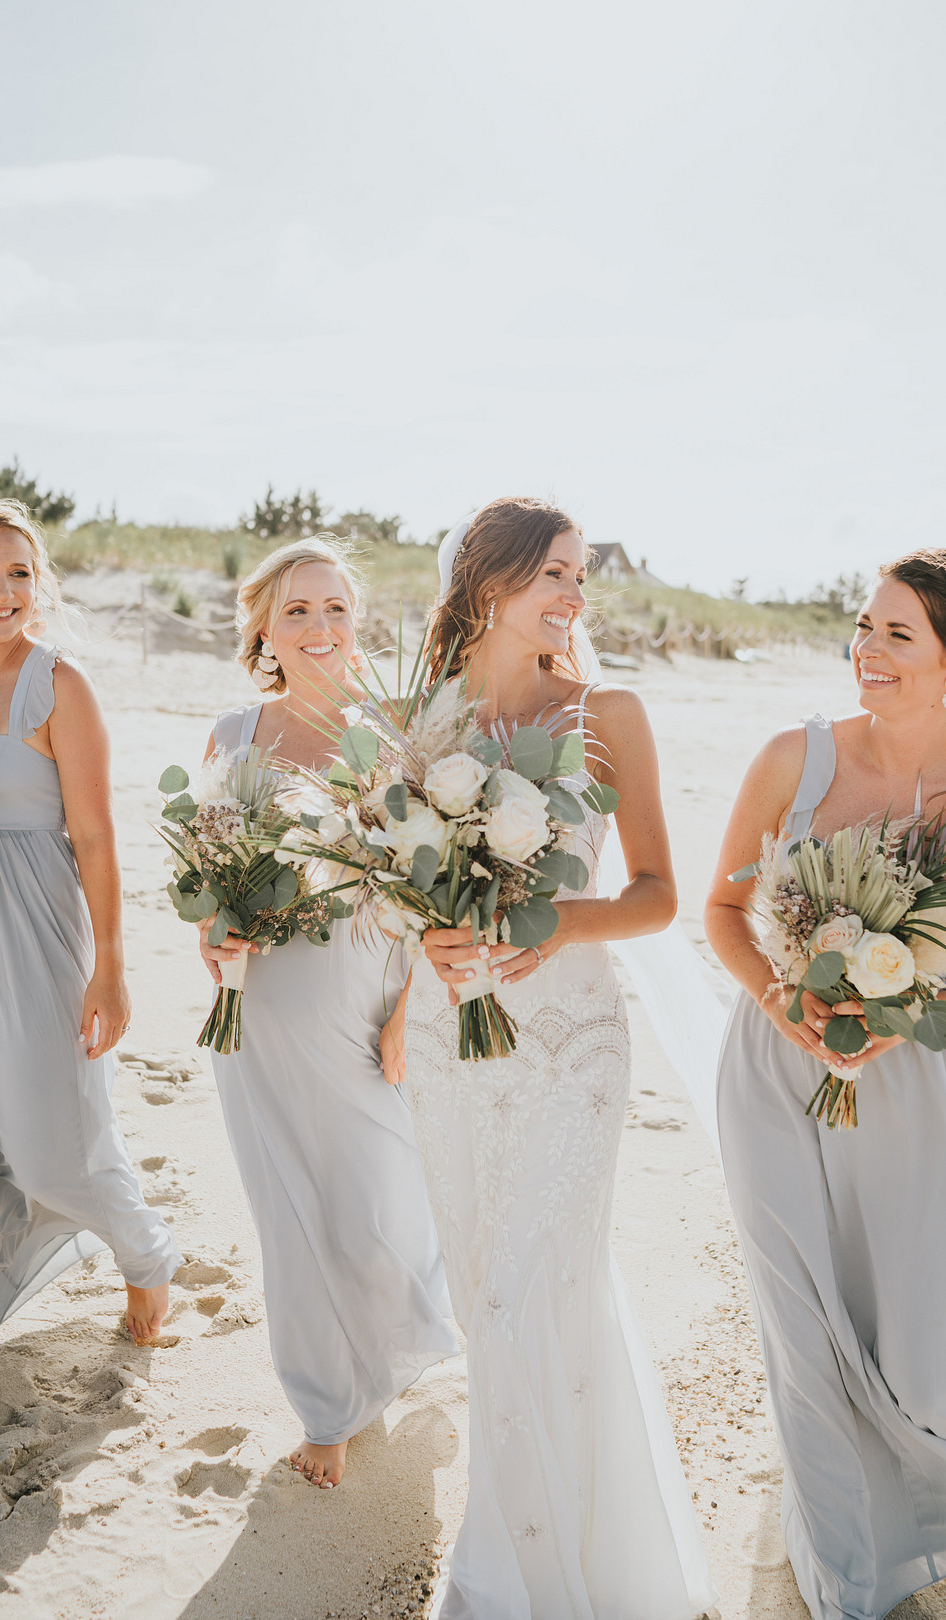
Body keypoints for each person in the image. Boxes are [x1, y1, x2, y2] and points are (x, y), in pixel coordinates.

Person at [386, 497, 716, 1618]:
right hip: (448, 1038)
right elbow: (389, 895)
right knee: (489, 1295)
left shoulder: (608, 711)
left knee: (537, 1286)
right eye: (557, 576)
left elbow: (660, 896)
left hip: (573, 1040)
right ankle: (527, 1543)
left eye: (582, 578)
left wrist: (552, 924)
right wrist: (420, 936)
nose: (577, 597)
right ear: (490, 589)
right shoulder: (415, 723)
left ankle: (534, 1582)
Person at [705, 548, 946, 1619]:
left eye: (898, 636)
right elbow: (723, 911)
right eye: (864, 627)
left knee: (933, 1347)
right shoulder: (797, 756)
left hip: (924, 1086)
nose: (868, 652)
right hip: (774, 1075)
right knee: (806, 1339)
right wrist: (787, 1003)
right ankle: (846, 1579)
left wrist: (902, 1022)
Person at [198, 535, 456, 1489]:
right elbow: (205, 878)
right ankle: (325, 1403)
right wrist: (213, 943)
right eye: (297, 610)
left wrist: (410, 1013)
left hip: (370, 988)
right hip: (259, 1001)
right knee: (290, 1208)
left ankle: (394, 1344)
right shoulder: (232, 737)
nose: (318, 627)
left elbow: (444, 890)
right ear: (263, 625)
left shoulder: (399, 737)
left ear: (360, 621)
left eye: (335, 608)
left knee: (377, 1203)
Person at [0, 499, 181, 1426]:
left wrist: (109, 968)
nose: (3, 592)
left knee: (47, 1145)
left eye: (21, 573)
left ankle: (145, 1251)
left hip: (37, 934)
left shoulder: (57, 684)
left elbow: (96, 835)